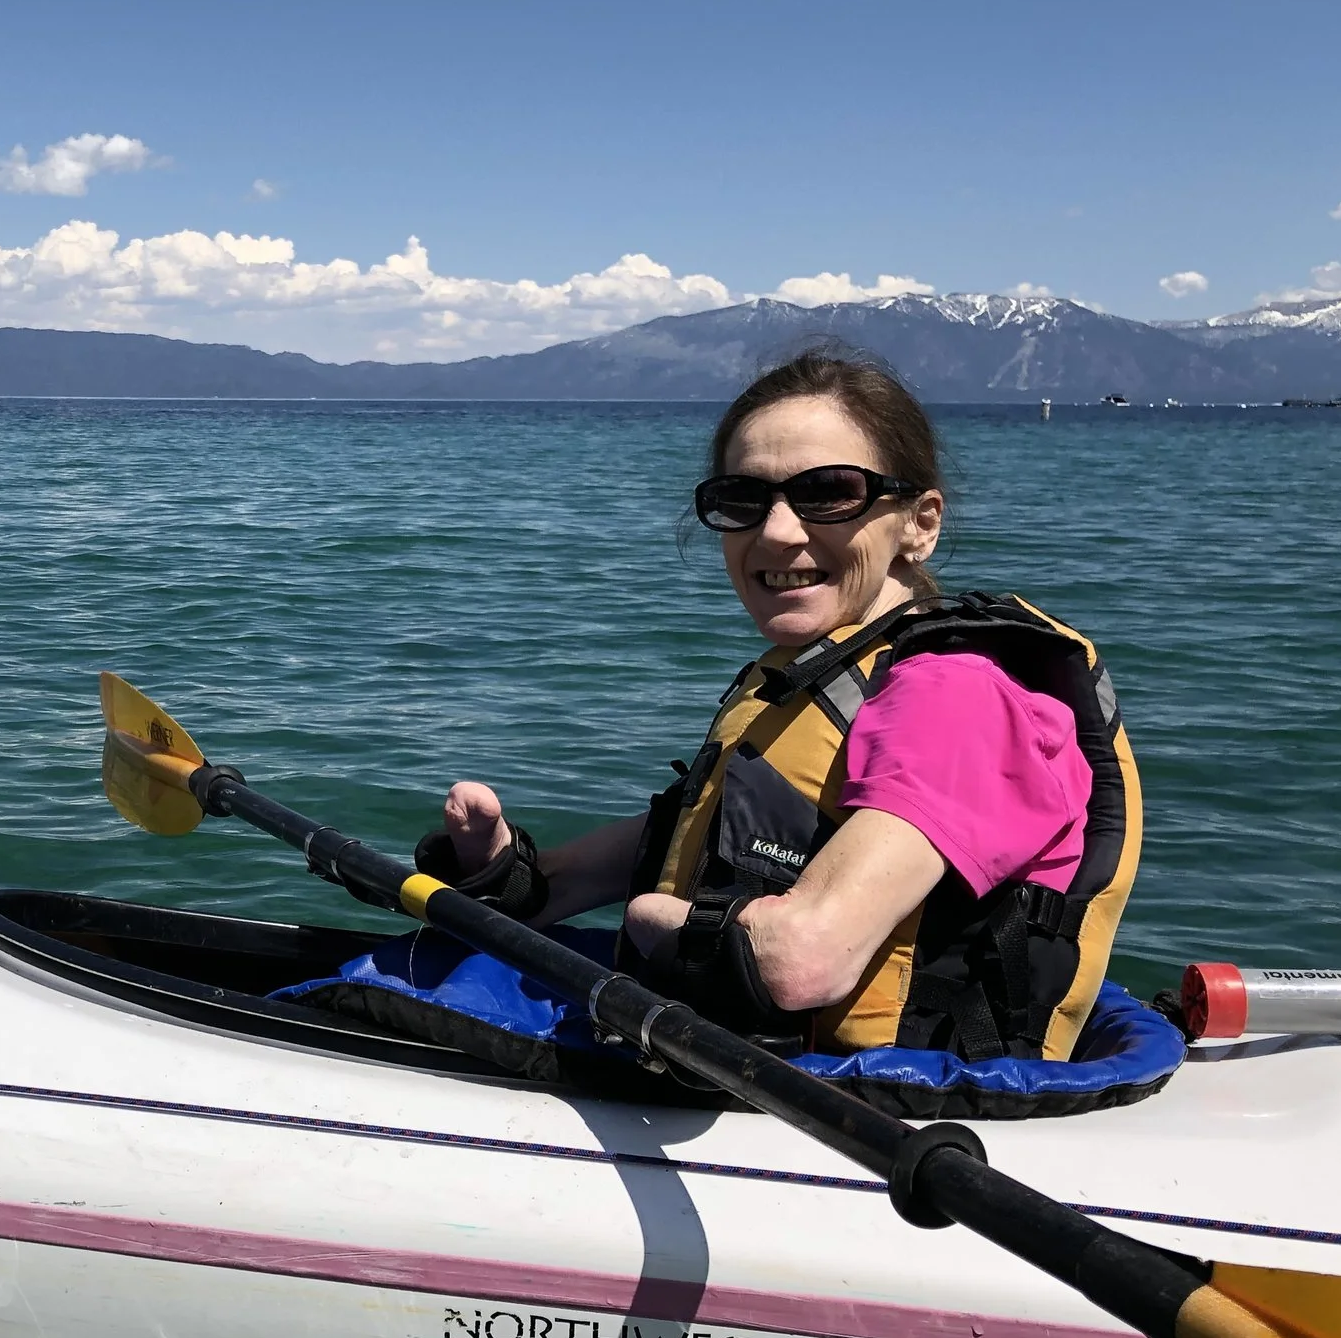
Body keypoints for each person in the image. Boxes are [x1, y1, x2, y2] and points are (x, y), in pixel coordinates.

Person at [420, 341, 1138, 1062]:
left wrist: (647, 917)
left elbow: (800, 959)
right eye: (743, 499)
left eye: (829, 492)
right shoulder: (828, 674)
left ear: (919, 522)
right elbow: (695, 843)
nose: (776, 531)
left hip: (881, 1099)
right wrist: (510, 872)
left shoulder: (957, 697)